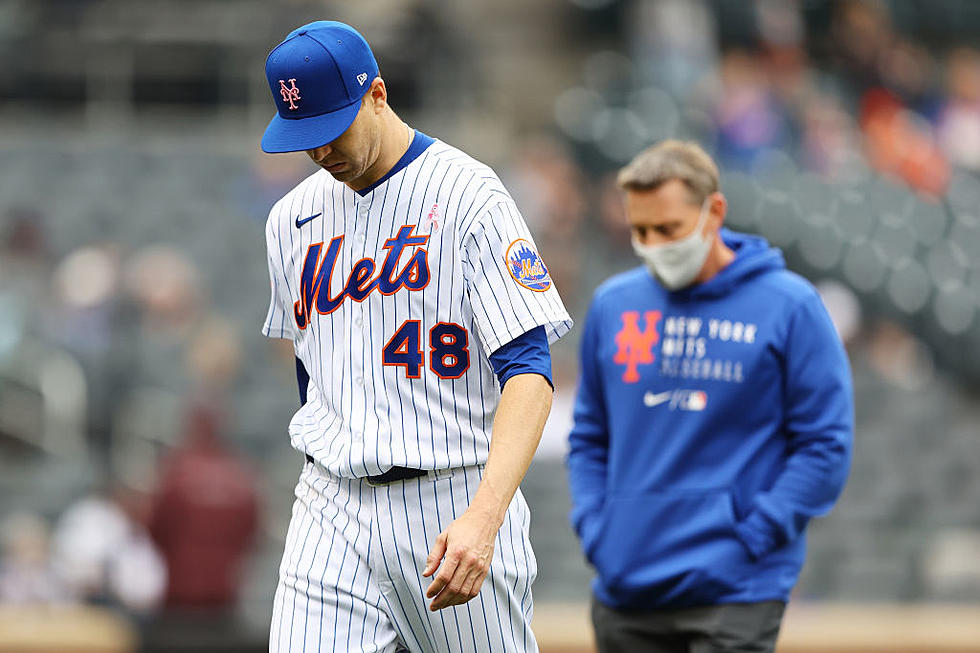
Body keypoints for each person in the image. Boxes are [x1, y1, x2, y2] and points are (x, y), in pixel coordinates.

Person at [258, 21, 571, 653]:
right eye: (304, 137)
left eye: (331, 129)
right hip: (331, 503)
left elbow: (531, 375)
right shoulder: (290, 218)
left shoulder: (468, 194)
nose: (320, 152)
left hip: (451, 494)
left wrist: (485, 517)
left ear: (376, 94)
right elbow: (310, 374)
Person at [567, 140, 853, 653]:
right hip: (625, 588)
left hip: (736, 591)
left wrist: (755, 536)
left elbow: (824, 445)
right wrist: (597, 530)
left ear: (714, 211)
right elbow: (589, 436)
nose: (654, 244)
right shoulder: (615, 305)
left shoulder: (790, 306)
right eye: (640, 231)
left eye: (668, 229)